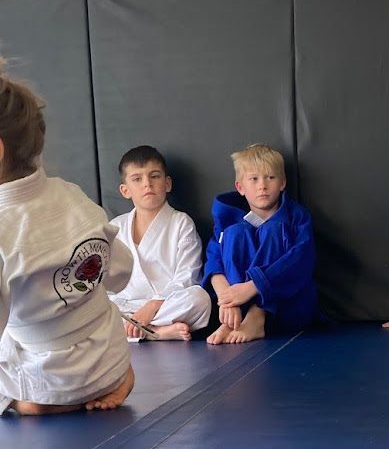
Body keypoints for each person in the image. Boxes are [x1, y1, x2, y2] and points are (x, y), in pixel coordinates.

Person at [0, 61, 135, 416]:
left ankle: (33, 401)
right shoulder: (71, 194)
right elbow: (121, 272)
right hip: (109, 359)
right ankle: (111, 376)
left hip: (50, 383)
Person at [203, 143, 317, 345]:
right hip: (236, 309)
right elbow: (214, 260)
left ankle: (258, 314)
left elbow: (301, 260)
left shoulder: (296, 218)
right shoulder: (227, 221)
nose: (262, 186)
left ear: (282, 183)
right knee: (235, 233)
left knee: (274, 229)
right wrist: (228, 299)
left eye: (270, 178)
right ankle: (233, 321)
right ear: (240, 187)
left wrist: (253, 286)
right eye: (254, 179)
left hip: (286, 307)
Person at [109, 146, 211, 341]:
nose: (147, 184)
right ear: (125, 190)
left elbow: (187, 276)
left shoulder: (181, 222)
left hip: (166, 305)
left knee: (199, 299)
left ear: (167, 183)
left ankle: (135, 331)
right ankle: (156, 333)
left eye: (154, 176)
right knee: (93, 306)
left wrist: (153, 305)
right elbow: (108, 283)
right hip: (127, 306)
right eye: (137, 179)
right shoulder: (115, 227)